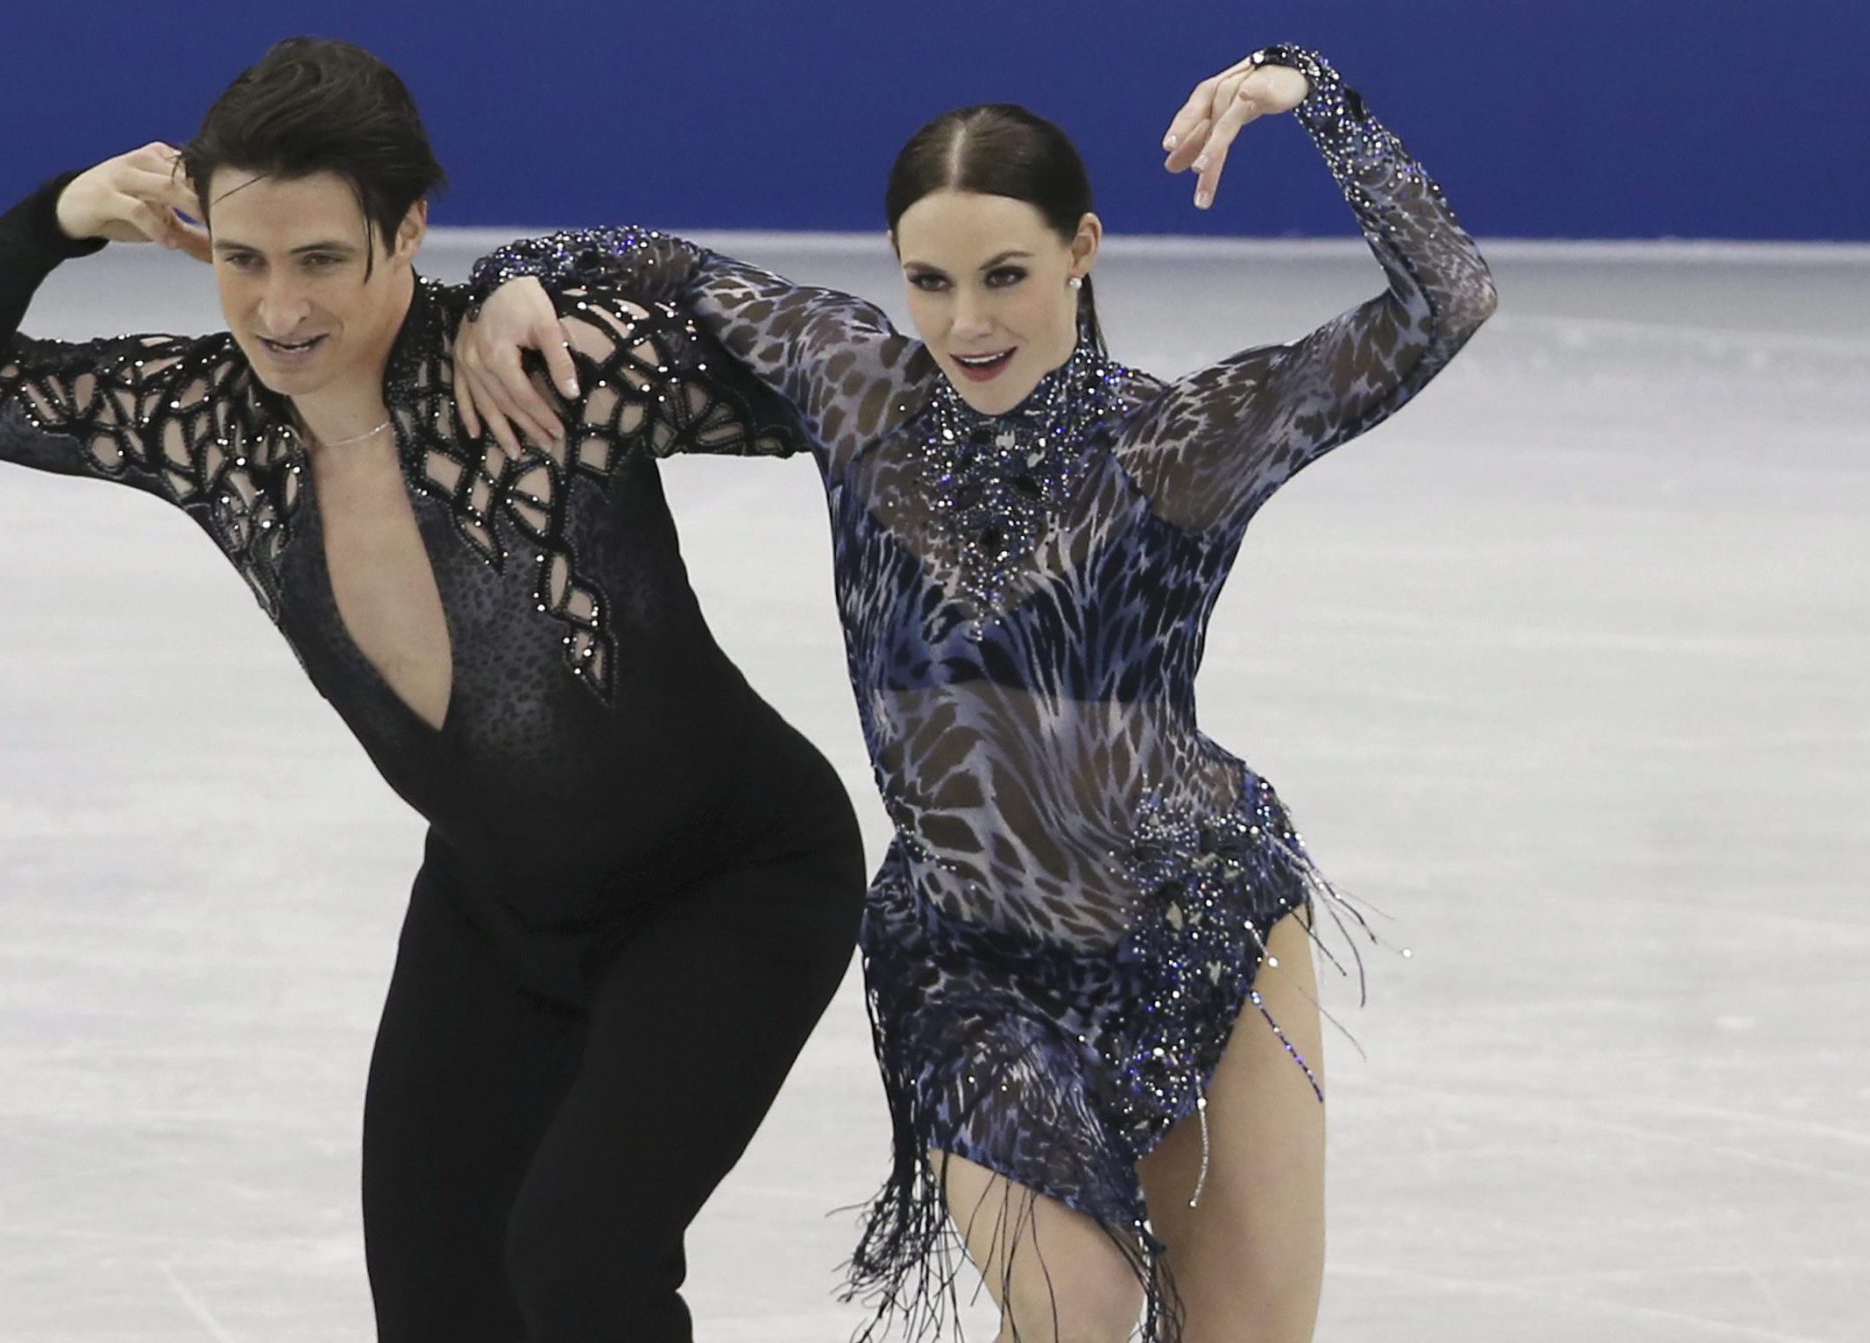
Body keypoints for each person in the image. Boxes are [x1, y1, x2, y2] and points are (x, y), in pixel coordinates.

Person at [456, 45, 1496, 1343]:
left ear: (1082, 250)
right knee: (1078, 1311)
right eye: (930, 282)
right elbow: (646, 260)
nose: (966, 323)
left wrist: (1318, 98)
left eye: (1004, 275)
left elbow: (1447, 296)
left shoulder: (1178, 443)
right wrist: (506, 285)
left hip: (1199, 918)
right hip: (969, 956)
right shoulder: (855, 384)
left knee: (1245, 1334)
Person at [0, 36, 868, 1343]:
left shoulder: (544, 371)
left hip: (729, 885)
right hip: (498, 908)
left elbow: (844, 368)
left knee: (579, 1262)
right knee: (440, 1307)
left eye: (321, 258)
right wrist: (59, 216)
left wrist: (543, 272)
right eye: (243, 258)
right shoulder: (212, 425)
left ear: (407, 233)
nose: (278, 311)